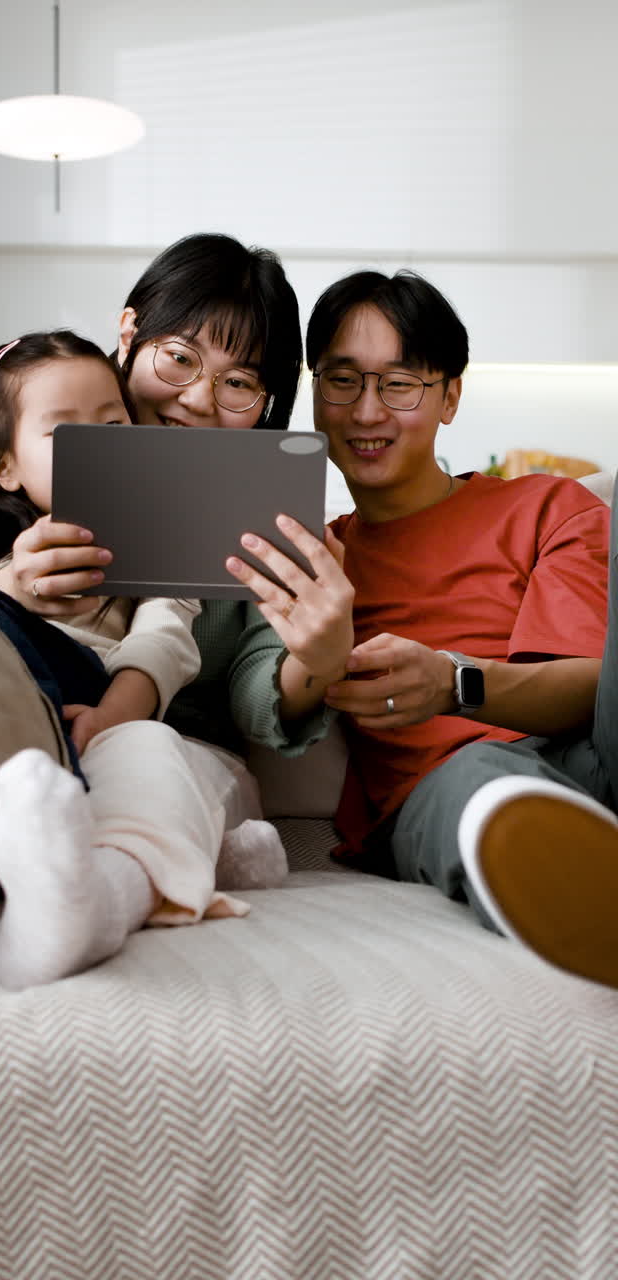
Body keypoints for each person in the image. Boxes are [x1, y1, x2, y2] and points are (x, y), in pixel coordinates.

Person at [0, 233, 355, 986]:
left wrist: (321, 649)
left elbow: (253, 697)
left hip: (157, 745)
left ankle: (94, 898)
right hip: (4, 716)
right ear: (130, 333)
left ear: (268, 402)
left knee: (147, 753)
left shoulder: (252, 521)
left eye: (240, 383)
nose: (198, 399)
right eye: (180, 357)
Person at [226, 267, 618, 990]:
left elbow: (593, 692)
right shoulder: (311, 559)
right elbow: (266, 696)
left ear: (450, 397)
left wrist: (453, 684)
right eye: (342, 381)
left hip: (590, 756)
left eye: (399, 384)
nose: (367, 411)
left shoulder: (546, 507)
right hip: (443, 792)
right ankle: (572, 888)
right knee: (481, 784)